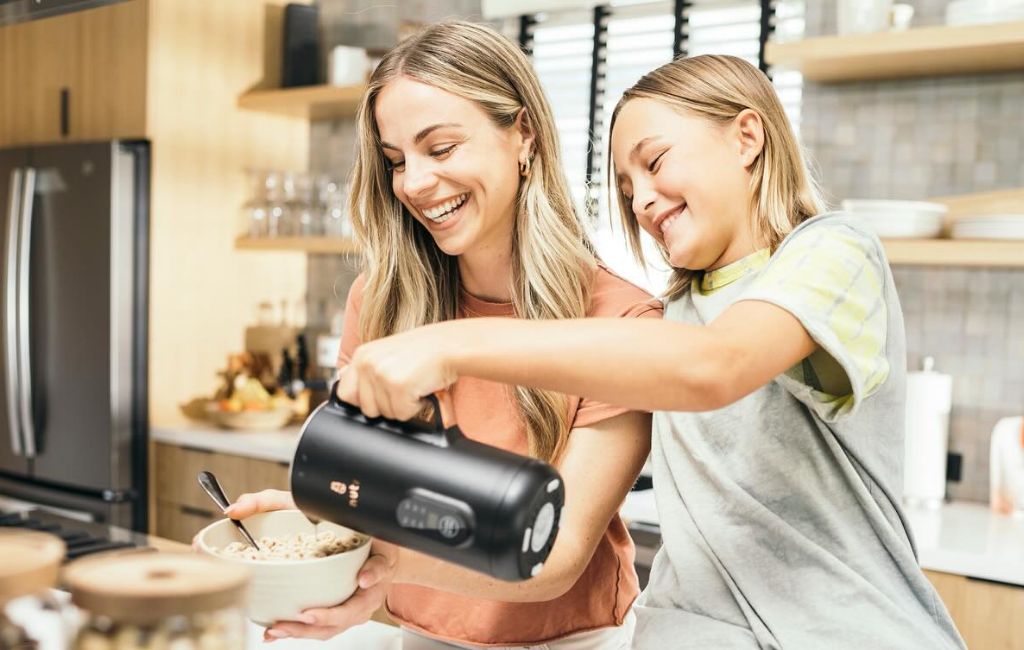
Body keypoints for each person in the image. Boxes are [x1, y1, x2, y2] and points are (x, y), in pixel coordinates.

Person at [333, 54, 967, 649]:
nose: (638, 200)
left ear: (747, 137)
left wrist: (450, 343)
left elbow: (713, 367)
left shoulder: (833, 253)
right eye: (625, 183)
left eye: (656, 162)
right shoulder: (674, 310)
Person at [227, 21, 661, 649]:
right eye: (396, 160)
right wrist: (309, 511)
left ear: (524, 135)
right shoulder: (380, 303)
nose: (414, 184)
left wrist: (389, 565)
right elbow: (369, 489)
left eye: (442, 148)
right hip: (420, 636)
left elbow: (554, 556)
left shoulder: (621, 323)